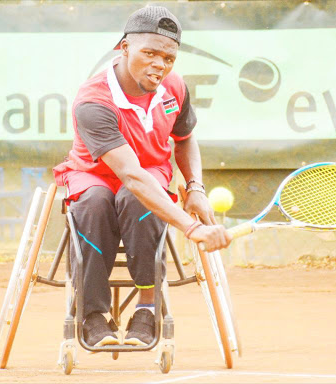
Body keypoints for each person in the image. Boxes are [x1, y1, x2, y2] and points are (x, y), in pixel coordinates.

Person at [53, 5, 232, 348]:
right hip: (95, 174)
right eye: (149, 53)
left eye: (168, 57)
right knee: (94, 202)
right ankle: (92, 314)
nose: (159, 65)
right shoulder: (93, 101)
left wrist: (195, 186)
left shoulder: (174, 88)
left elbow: (184, 138)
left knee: (138, 199)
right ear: (123, 48)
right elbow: (129, 174)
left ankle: (148, 309)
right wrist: (192, 227)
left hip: (149, 171)